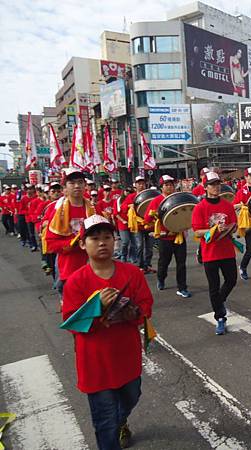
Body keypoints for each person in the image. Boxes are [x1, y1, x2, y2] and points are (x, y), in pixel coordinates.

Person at [62, 214, 153, 450]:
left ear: (115, 241)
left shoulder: (132, 273)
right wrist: (98, 307)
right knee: (104, 422)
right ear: (82, 244)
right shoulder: (75, 281)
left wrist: (132, 312)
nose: (102, 243)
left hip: (127, 356)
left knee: (132, 396)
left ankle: (121, 419)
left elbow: (146, 306)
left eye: (107, 237)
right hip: (95, 363)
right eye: (94, 238)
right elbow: (71, 321)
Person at [191, 172, 238, 335]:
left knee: (232, 280)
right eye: (212, 184)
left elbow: (235, 225)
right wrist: (213, 229)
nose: (216, 187)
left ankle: (219, 301)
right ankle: (220, 317)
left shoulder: (228, 205)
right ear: (205, 187)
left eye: (218, 183)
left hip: (227, 250)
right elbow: (197, 232)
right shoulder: (200, 207)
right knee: (213, 286)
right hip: (210, 253)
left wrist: (230, 228)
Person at [44, 168, 97, 299]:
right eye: (72, 183)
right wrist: (72, 242)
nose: (77, 186)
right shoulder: (57, 212)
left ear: (85, 185)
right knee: (73, 310)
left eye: (80, 182)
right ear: (65, 188)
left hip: (94, 267)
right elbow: (50, 243)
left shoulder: (94, 209)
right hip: (70, 267)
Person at [144, 175, 191, 298]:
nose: (169, 187)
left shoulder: (179, 198)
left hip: (179, 236)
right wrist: (155, 221)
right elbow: (147, 219)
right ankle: (161, 278)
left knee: (181, 263)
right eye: (166, 185)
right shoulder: (156, 200)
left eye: (171, 184)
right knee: (164, 262)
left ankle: (182, 287)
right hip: (164, 238)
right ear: (161, 187)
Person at [129, 176, 155, 274]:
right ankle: (140, 265)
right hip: (138, 226)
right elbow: (123, 208)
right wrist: (130, 207)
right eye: (139, 183)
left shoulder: (150, 195)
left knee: (149, 247)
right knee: (139, 245)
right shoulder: (131, 197)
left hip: (149, 225)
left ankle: (147, 265)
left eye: (142, 183)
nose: (141, 185)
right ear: (135, 185)